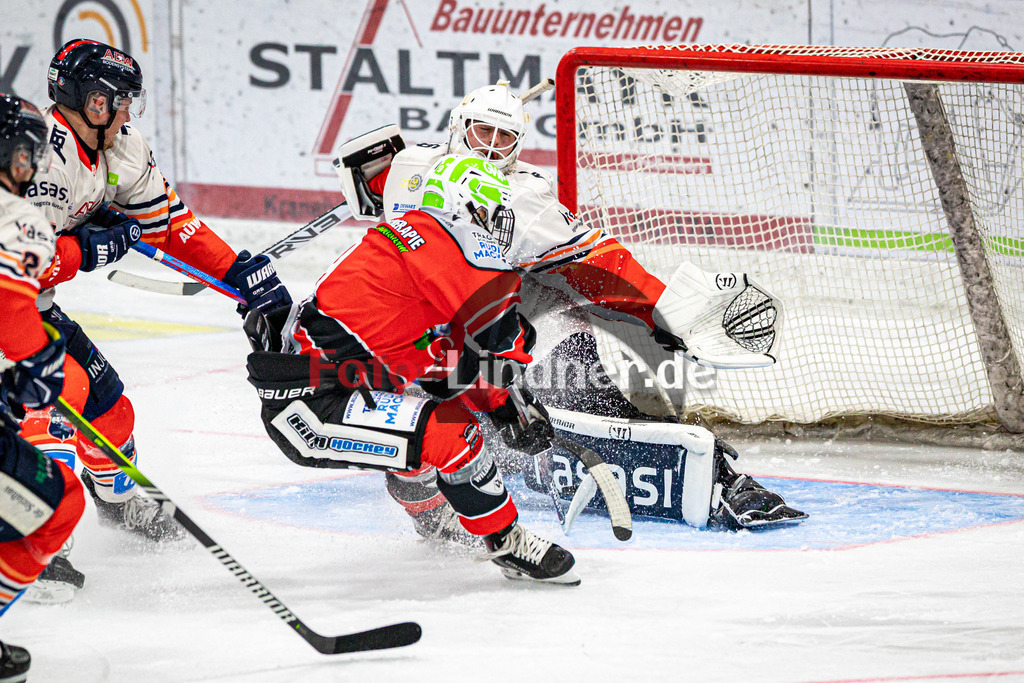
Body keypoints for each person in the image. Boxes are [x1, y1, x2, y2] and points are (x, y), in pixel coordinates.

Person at [335, 81, 804, 537]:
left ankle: (719, 483)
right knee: (411, 453)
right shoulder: (410, 165)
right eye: (483, 132)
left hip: (517, 333)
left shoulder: (520, 197)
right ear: (459, 127)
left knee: (590, 393)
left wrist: (660, 308)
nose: (492, 149)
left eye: (505, 139)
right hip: (430, 343)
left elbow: (596, 260)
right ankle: (441, 517)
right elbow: (373, 185)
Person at [18, 39, 291, 595]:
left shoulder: (119, 147)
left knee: (111, 414)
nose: (126, 113)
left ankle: (116, 503)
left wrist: (237, 273)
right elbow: (21, 269)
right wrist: (83, 250)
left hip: (36, 308)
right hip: (9, 309)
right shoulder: (41, 159)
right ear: (91, 100)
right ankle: (37, 542)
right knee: (47, 416)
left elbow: (170, 224)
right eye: (119, 101)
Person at [245, 154, 579, 585]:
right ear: (465, 208)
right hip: (311, 408)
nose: (495, 227)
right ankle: (507, 542)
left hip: (330, 392)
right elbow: (502, 337)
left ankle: (434, 520)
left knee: (425, 418)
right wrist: (511, 396)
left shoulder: (409, 252)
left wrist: (498, 403)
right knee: (452, 435)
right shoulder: (440, 242)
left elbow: (430, 365)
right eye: (490, 212)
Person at [0, 92, 87, 683]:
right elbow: (13, 318)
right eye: (25, 156)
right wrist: (40, 366)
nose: (30, 168)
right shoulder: (16, 219)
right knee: (58, 501)